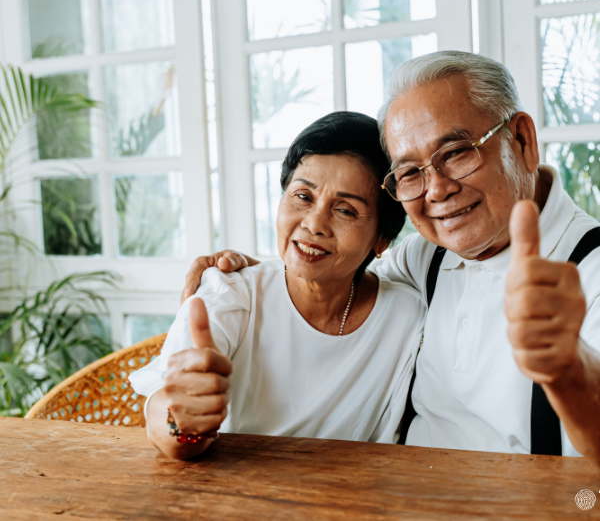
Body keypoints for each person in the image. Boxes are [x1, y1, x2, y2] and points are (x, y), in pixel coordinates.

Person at [183, 52, 600, 466]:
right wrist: (247, 276)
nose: (436, 191)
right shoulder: (428, 257)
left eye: (456, 152)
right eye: (410, 172)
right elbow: (339, 264)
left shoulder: (592, 271)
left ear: (523, 140)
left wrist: (570, 370)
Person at [130, 112, 426, 460]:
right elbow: (164, 415)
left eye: (345, 210)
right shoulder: (230, 293)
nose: (314, 223)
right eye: (303, 196)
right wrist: (183, 421)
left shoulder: (407, 315)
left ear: (382, 239)